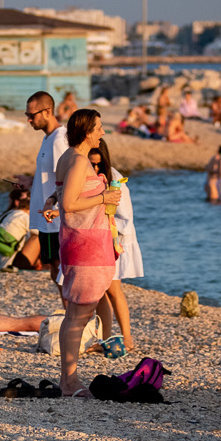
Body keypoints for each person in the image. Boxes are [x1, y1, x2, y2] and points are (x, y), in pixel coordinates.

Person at [48, 109, 121, 396]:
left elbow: (62, 195)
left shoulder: (68, 157)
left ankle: (68, 380)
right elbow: (68, 204)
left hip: (78, 242)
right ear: (87, 131)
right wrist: (104, 196)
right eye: (99, 127)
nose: (102, 132)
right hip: (86, 245)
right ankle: (70, 382)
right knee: (79, 316)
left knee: (74, 315)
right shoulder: (78, 160)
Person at [89, 140, 139, 353]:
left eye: (98, 164)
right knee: (101, 291)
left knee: (113, 288)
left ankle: (127, 338)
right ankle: (106, 339)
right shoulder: (87, 177)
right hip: (97, 238)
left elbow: (125, 216)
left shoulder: (116, 180)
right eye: (91, 164)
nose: (95, 168)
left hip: (113, 239)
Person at [26, 91, 68, 294]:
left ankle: (72, 312)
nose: (29, 119)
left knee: (60, 270)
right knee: (54, 269)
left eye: (32, 115)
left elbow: (66, 178)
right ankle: (69, 311)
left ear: (47, 112)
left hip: (55, 218)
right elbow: (51, 177)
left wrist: (58, 208)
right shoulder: (48, 138)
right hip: (46, 217)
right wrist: (29, 182)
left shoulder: (59, 139)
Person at [0, 188, 40, 271]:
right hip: (11, 263)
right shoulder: (23, 216)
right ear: (17, 202)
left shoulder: (4, 215)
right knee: (38, 237)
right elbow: (42, 234)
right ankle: (45, 265)